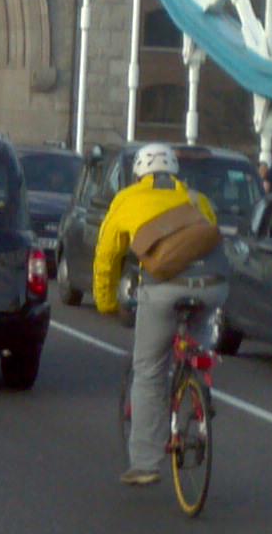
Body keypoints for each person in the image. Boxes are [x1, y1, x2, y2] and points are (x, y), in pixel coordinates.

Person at [94, 142, 224, 487]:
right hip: (213, 286)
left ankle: (145, 463)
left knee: (150, 370)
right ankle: (200, 379)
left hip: (163, 287)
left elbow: (107, 257)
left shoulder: (127, 200)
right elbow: (212, 240)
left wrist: (106, 302)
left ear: (139, 173)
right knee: (198, 335)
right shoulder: (198, 200)